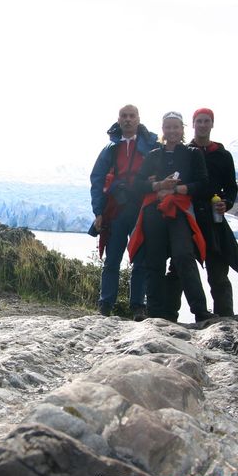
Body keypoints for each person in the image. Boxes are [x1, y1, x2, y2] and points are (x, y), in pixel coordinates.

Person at [126, 111, 212, 322]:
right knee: (154, 261)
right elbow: (137, 185)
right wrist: (157, 186)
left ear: (182, 129)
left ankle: (200, 311)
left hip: (179, 211)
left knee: (183, 256)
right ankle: (155, 313)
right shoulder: (154, 155)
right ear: (163, 130)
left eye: (176, 127)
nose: (172, 131)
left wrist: (177, 189)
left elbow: (204, 185)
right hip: (154, 212)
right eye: (168, 127)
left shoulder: (193, 154)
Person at [165, 108, 238, 320]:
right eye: (199, 121)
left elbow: (230, 187)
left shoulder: (222, 155)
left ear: (212, 124)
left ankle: (225, 317)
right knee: (179, 265)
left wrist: (226, 203)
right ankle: (169, 315)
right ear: (193, 124)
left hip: (212, 216)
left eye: (206, 121)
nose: (202, 125)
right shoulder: (183, 152)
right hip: (188, 214)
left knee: (218, 269)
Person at [89, 104, 158, 319]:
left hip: (141, 208)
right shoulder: (111, 149)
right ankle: (105, 304)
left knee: (141, 259)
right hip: (117, 210)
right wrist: (98, 211)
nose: (128, 119)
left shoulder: (152, 146)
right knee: (113, 259)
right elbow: (97, 179)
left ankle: (138, 306)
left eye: (132, 116)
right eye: (124, 116)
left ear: (138, 119)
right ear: (119, 120)